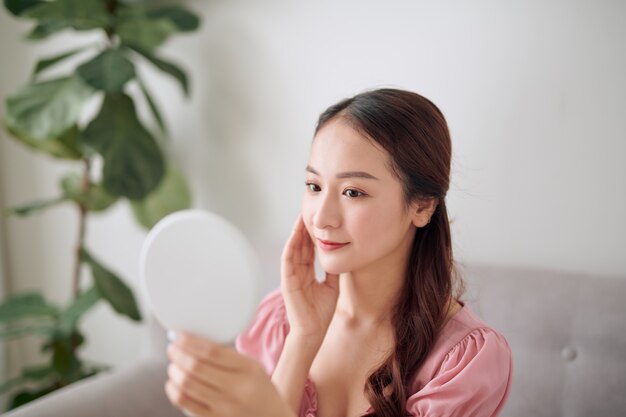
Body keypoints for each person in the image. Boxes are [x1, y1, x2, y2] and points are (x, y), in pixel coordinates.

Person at [164, 88, 513, 417]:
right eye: (314, 186)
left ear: (422, 206)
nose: (321, 217)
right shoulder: (278, 321)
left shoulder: (464, 361)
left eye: (352, 192)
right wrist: (304, 337)